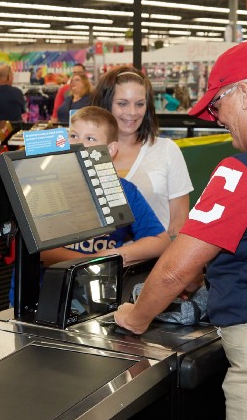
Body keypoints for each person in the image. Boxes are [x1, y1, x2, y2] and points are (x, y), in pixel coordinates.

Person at [114, 40, 247, 419]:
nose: (216, 117)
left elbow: (174, 271)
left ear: (244, 94)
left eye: (217, 104)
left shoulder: (241, 171)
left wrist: (135, 317)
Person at [9, 106, 171, 305]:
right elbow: (41, 251)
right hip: (39, 297)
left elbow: (159, 241)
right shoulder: (43, 184)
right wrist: (95, 261)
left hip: (96, 300)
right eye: (74, 135)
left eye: (90, 139)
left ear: (110, 150)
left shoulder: (124, 191)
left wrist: (115, 255)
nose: (78, 144)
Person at [92, 66, 192, 238]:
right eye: (122, 104)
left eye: (139, 104)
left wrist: (167, 259)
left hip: (155, 261)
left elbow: (179, 220)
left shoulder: (166, 150)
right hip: (96, 260)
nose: (132, 112)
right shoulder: (88, 152)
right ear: (106, 103)